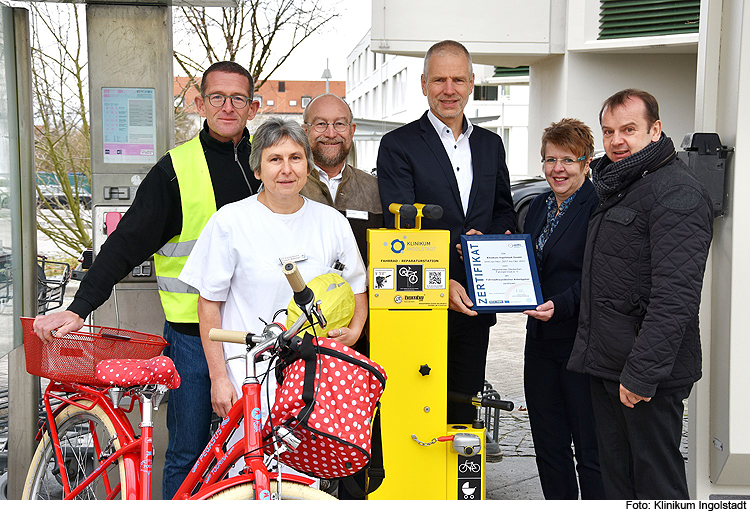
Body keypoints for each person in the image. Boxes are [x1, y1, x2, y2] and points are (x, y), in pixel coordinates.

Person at [32, 61, 262, 500]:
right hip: (194, 339)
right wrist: (79, 308)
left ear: (253, 107)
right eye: (217, 97)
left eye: (238, 98)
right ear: (199, 104)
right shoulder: (175, 170)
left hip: (258, 340)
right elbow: (125, 244)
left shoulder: (272, 163)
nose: (227, 107)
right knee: (189, 454)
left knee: (257, 454)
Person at [568, 89, 713, 499]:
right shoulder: (622, 185)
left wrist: (642, 375)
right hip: (611, 368)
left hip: (644, 376)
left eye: (629, 129)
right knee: (620, 483)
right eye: (610, 131)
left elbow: (677, 297)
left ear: (655, 130)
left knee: (656, 487)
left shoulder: (676, 193)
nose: (617, 140)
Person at [178, 117, 367, 424]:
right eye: (275, 159)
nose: (286, 169)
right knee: (249, 469)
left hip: (313, 380)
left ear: (307, 166)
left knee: (304, 470)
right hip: (248, 377)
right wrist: (219, 378)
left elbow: (356, 288)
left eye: (295, 158)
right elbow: (208, 303)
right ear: (257, 170)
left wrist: (355, 330)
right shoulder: (231, 221)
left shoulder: (332, 223)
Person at [376, 40, 516, 426]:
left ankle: (456, 488)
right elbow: (399, 227)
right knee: (415, 410)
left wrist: (489, 237)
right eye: (439, 80)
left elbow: (505, 210)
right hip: (420, 302)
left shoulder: (491, 145)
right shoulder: (398, 145)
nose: (449, 90)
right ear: (424, 84)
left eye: (458, 79)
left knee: (463, 410)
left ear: (472, 83)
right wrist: (444, 280)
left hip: (475, 302)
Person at [522, 118, 604, 500]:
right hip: (539, 341)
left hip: (580, 342)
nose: (558, 169)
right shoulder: (539, 205)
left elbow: (598, 274)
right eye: (550, 159)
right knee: (549, 445)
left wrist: (562, 304)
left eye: (568, 160)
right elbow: (529, 263)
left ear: (586, 163)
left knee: (590, 448)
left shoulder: (598, 205)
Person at [301, 93, 383, 266]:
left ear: (352, 130)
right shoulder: (287, 186)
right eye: (321, 124)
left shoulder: (376, 190)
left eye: (339, 124)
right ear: (305, 131)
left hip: (360, 293)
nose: (331, 134)